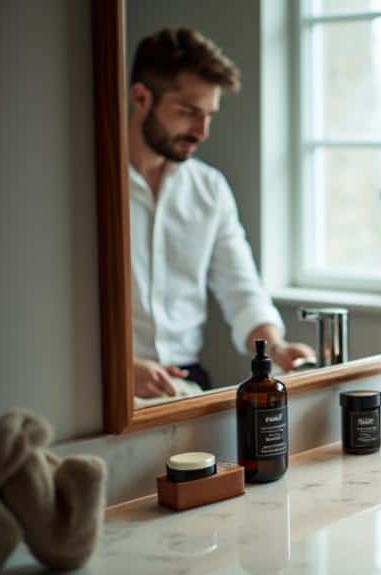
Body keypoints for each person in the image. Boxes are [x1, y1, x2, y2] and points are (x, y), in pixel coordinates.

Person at [128, 28, 313, 399]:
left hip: (187, 382)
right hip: (105, 385)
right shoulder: (86, 187)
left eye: (209, 115)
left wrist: (275, 346)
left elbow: (241, 289)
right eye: (187, 112)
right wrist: (121, 370)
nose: (202, 131)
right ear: (141, 97)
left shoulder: (209, 189)